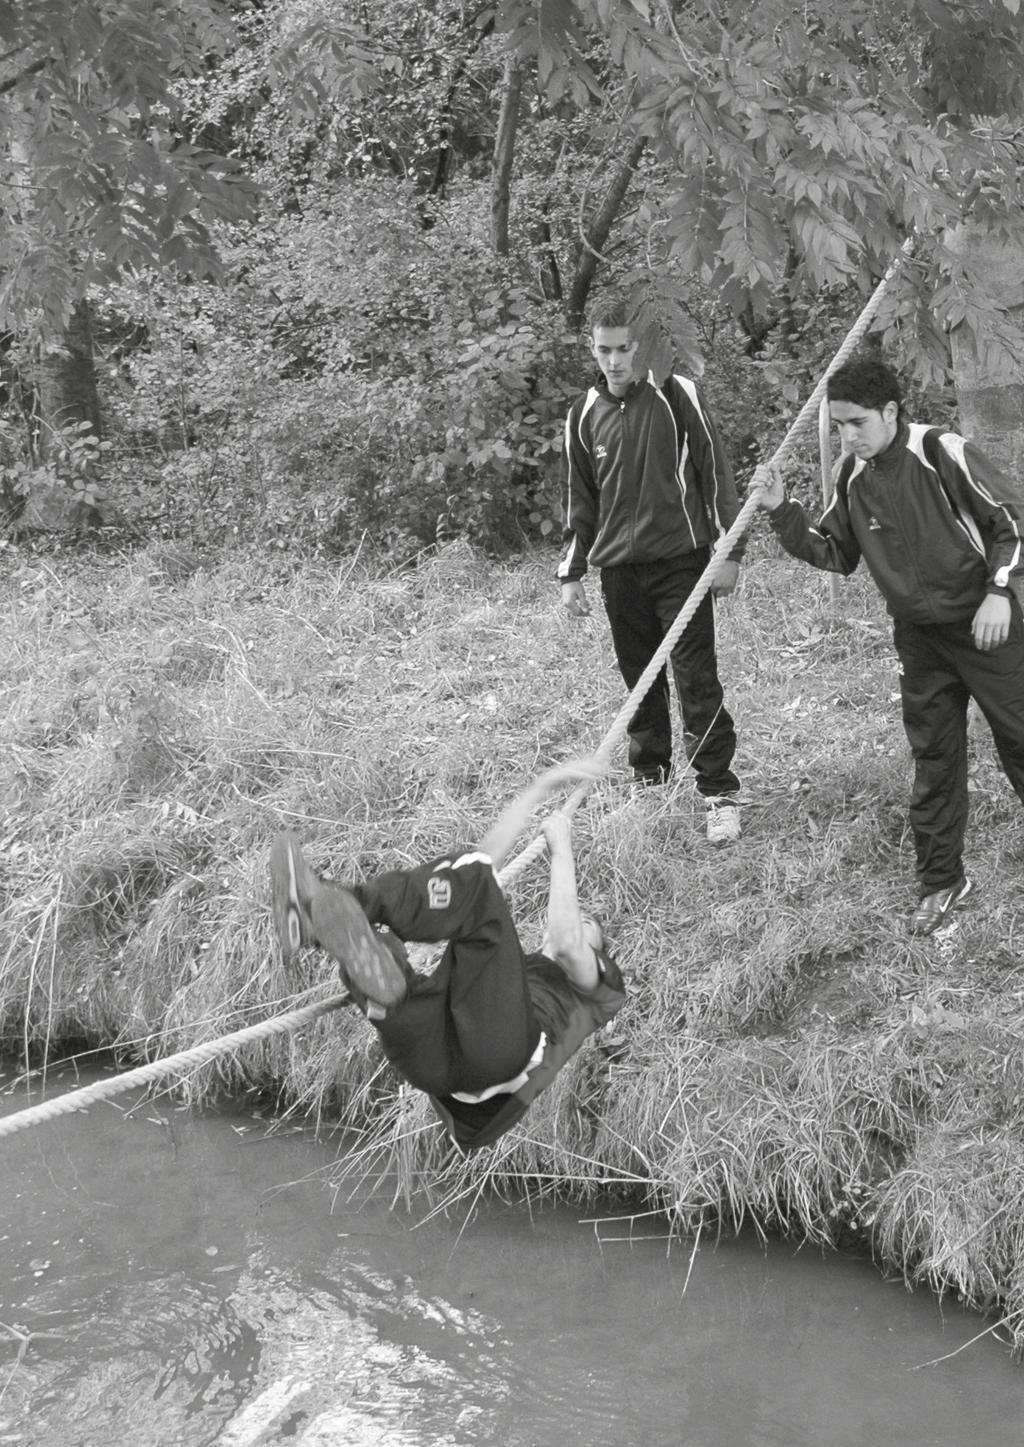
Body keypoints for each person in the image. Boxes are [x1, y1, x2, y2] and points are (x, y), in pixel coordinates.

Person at [752, 352, 1024, 935]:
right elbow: (835, 553)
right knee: (934, 758)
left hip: (987, 625)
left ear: (891, 412)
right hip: (920, 641)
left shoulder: (941, 452)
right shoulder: (852, 477)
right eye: (839, 427)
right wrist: (781, 512)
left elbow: (1011, 522)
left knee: (1019, 741)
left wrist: (1000, 591)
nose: (849, 437)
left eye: (858, 423)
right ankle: (942, 880)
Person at [269, 759, 626, 1152]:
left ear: (599, 951)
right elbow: (485, 859)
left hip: (503, 1053)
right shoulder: (509, 977)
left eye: (588, 924)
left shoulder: (599, 993)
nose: (577, 919)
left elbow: (567, 939)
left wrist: (562, 849)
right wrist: (538, 790)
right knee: (386, 953)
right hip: (435, 1067)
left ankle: (333, 906)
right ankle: (362, 956)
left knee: (473, 888)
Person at [557, 296, 746, 845]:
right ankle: (650, 783)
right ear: (592, 349)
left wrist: (729, 553)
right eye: (604, 350)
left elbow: (717, 475)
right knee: (640, 684)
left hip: (681, 564)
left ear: (641, 348)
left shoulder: (677, 393)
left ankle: (718, 792)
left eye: (624, 349)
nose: (614, 361)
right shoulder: (582, 414)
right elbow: (580, 501)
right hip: (620, 573)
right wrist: (572, 574)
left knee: (695, 679)